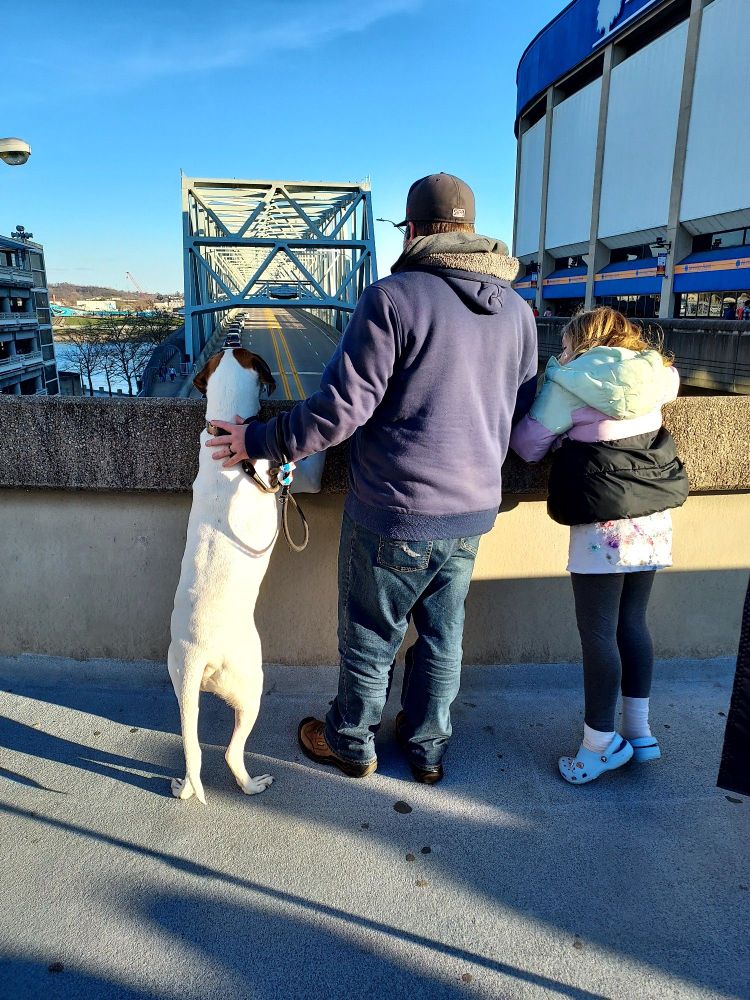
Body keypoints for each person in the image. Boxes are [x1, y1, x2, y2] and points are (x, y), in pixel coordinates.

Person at [206, 173, 538, 783]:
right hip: (472, 512)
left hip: (395, 507)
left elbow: (340, 411)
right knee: (443, 637)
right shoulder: (518, 311)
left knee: (369, 634)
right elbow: (522, 408)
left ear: (411, 230)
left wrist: (258, 439)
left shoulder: (394, 298)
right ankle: (427, 747)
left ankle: (352, 742)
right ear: (471, 233)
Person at [511, 307, 688, 785]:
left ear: (578, 341)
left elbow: (528, 446)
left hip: (603, 525)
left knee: (598, 633)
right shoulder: (657, 372)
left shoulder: (568, 380)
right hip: (653, 517)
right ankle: (641, 734)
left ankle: (599, 745)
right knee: (633, 623)